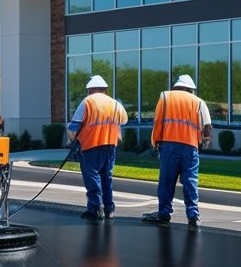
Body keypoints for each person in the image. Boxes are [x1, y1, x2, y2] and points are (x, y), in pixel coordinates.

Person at [144, 74, 212, 228]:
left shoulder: (165, 97)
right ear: (190, 89)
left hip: (169, 146)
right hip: (190, 147)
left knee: (167, 181)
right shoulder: (199, 102)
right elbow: (207, 126)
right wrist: (202, 144)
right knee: (190, 182)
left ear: (176, 86)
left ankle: (164, 213)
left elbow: (158, 122)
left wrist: (155, 143)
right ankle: (193, 216)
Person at [66, 75, 128, 219]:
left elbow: (73, 126)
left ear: (90, 89)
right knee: (106, 177)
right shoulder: (114, 104)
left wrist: (72, 142)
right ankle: (109, 209)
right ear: (104, 90)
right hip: (110, 145)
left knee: (92, 177)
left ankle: (95, 208)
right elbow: (122, 122)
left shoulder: (87, 102)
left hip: (90, 146)